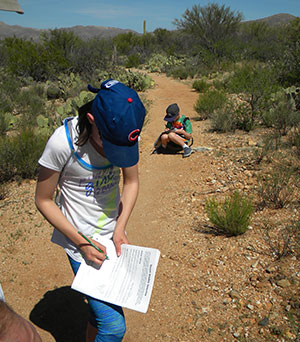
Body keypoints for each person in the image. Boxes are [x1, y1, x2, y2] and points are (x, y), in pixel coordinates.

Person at [35, 79, 146, 342]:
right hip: (80, 242)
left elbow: (131, 181)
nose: (113, 153)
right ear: (91, 119)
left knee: (98, 317)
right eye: (107, 143)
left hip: (111, 237)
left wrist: (120, 227)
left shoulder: (124, 132)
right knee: (113, 327)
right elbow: (44, 200)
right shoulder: (63, 143)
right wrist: (82, 243)